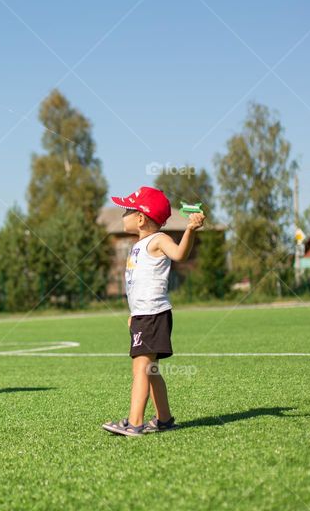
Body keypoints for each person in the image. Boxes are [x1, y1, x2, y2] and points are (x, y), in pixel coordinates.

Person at [102, 186, 205, 436]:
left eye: (127, 209)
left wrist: (190, 229)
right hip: (143, 316)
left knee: (142, 369)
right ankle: (164, 418)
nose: (122, 214)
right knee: (151, 369)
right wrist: (134, 314)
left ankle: (134, 422)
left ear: (140, 218)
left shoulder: (159, 239)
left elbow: (180, 254)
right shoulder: (138, 245)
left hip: (153, 315)